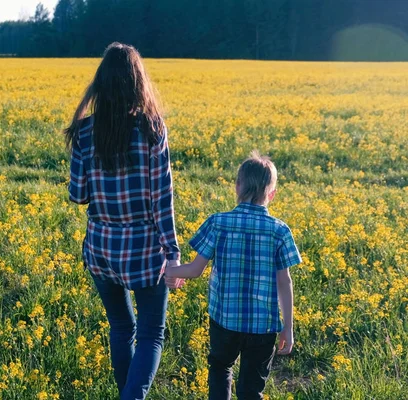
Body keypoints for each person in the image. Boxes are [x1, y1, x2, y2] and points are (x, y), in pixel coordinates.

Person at [66, 42, 182, 400]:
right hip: (145, 250)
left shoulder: (84, 131)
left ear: (100, 83)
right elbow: (161, 198)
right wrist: (173, 253)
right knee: (150, 335)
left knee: (121, 328)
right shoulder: (151, 128)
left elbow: (78, 195)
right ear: (138, 83)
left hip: (102, 248)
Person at [166, 151, 301, 400]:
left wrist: (169, 270)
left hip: (225, 321)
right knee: (252, 389)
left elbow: (195, 269)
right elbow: (285, 282)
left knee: (220, 367)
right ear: (272, 194)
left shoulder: (218, 223)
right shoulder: (280, 231)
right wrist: (288, 328)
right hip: (263, 328)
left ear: (237, 186)